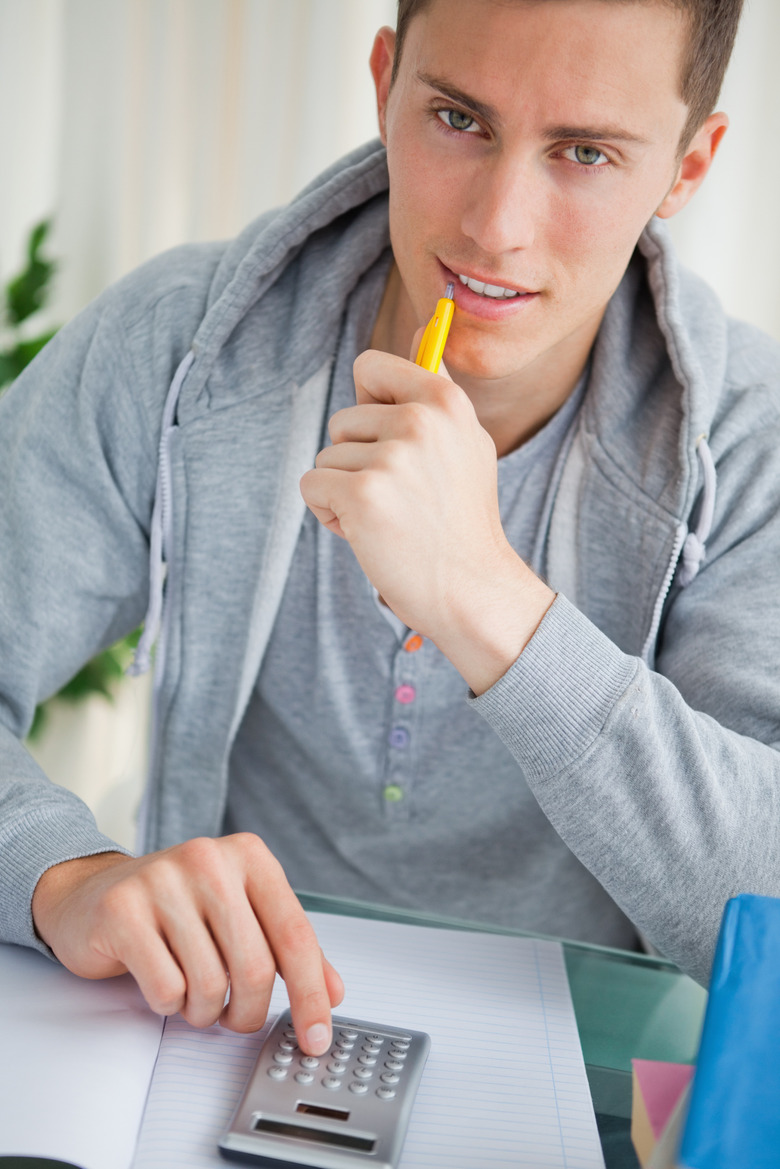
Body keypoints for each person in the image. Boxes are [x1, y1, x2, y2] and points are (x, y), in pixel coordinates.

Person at [1, 0, 776, 1059]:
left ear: (688, 168)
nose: (495, 224)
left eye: (586, 151)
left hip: (583, 1083)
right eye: (459, 119)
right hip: (219, 1040)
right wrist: (60, 874)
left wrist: (483, 593)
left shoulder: (753, 446)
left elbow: (767, 904)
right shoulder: (175, 343)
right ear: (384, 82)